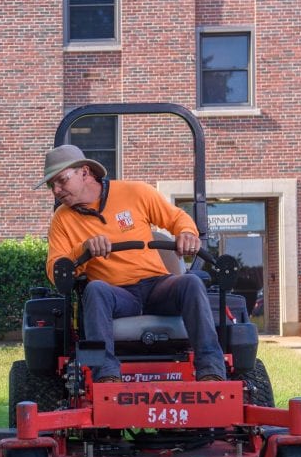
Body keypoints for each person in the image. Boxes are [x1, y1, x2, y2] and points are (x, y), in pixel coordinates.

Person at [37, 144, 226, 383]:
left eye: (61, 181)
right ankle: (106, 376)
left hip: (157, 287)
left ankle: (212, 372)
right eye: (50, 185)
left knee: (191, 282)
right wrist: (83, 250)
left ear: (84, 172)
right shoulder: (62, 220)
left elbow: (176, 218)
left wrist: (187, 232)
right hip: (116, 296)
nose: (56, 189)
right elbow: (57, 271)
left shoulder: (135, 193)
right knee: (95, 289)